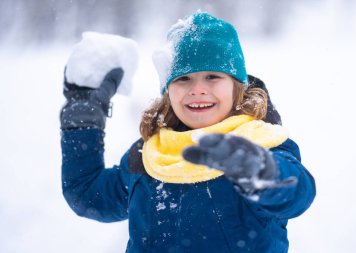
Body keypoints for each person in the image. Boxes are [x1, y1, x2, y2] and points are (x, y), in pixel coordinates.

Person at [60, 11, 316, 253]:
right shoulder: (149, 154)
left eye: (213, 76)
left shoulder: (262, 143)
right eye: (183, 79)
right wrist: (84, 114)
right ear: (168, 90)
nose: (198, 89)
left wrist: (258, 170)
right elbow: (88, 195)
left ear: (237, 87)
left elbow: (297, 193)